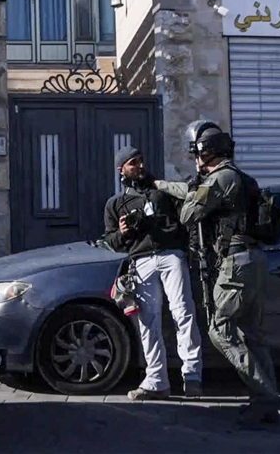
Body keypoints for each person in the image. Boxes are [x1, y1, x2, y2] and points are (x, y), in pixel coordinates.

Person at [153, 120, 280, 428]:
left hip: (236, 265)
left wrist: (189, 189)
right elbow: (190, 190)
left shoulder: (221, 178)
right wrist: (158, 184)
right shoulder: (235, 177)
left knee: (220, 330)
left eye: (196, 153)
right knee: (252, 334)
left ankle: (265, 396)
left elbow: (188, 212)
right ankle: (265, 404)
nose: (194, 159)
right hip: (253, 261)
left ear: (206, 153)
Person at [103, 145, 203, 400]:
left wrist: (187, 249)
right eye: (133, 163)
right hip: (141, 261)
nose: (139, 166)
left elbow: (188, 218)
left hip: (171, 255)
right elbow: (112, 242)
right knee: (149, 321)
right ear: (121, 169)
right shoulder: (115, 204)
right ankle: (156, 381)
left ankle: (192, 376)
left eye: (141, 161)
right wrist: (123, 232)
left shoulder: (162, 191)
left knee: (184, 312)